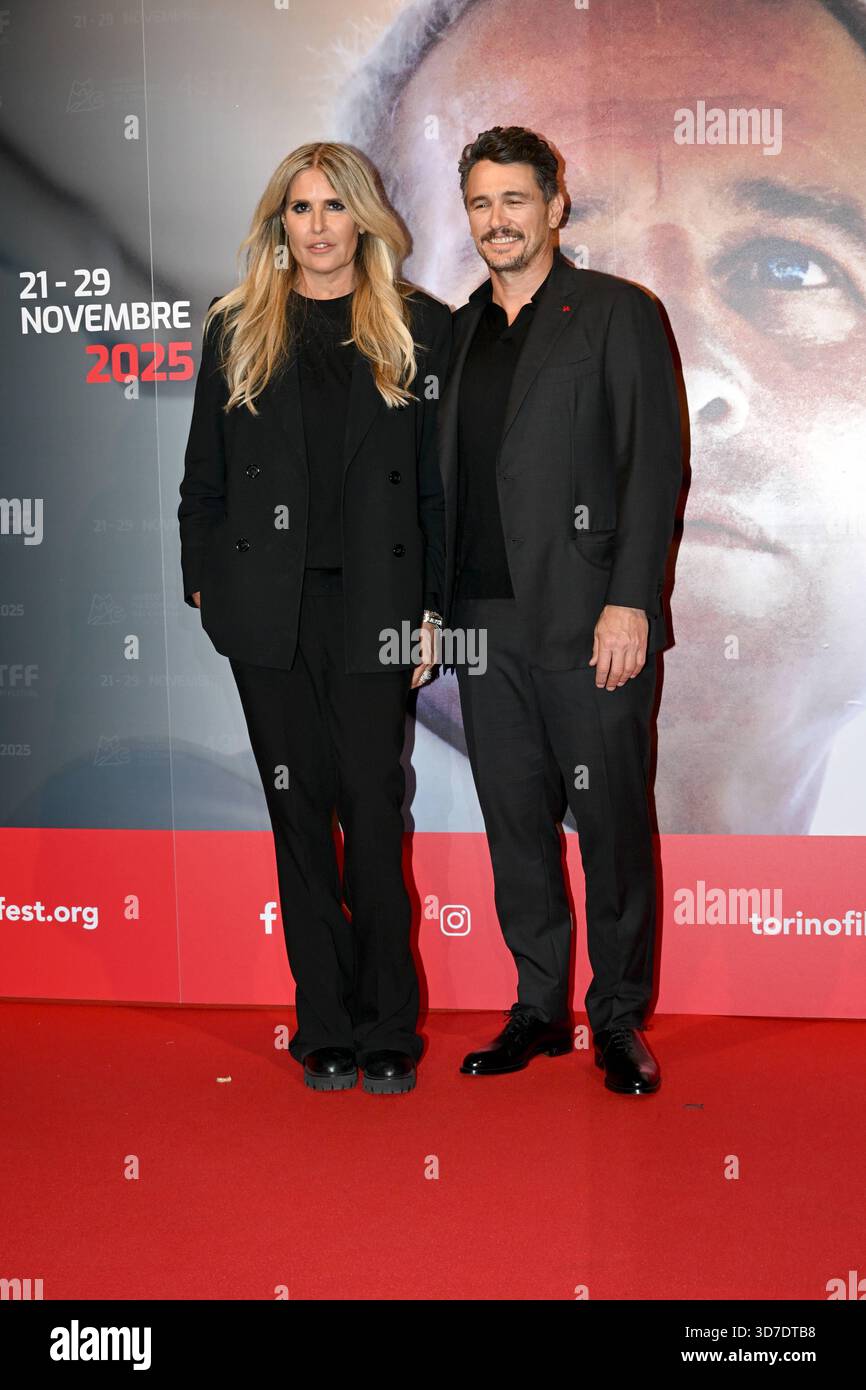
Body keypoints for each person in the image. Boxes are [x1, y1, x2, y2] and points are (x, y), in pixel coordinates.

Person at [178, 142, 450, 1095]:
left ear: (364, 218)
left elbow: (440, 493)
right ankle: (323, 1023)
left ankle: (388, 1027)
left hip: (379, 608)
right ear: (279, 223)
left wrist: (434, 614)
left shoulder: (420, 329)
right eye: (301, 208)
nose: (320, 225)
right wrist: (209, 591)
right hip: (271, 614)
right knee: (299, 814)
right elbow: (202, 484)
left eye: (337, 205)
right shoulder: (236, 328)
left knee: (375, 812)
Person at [438, 127, 682, 1094]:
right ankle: (539, 1007)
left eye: (515, 200)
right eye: (480, 204)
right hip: (481, 623)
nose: (498, 220)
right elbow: (441, 486)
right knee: (516, 827)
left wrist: (630, 601)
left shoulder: (617, 312)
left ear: (555, 205)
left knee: (611, 824)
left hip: (590, 626)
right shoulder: (457, 333)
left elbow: (654, 466)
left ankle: (617, 1018)